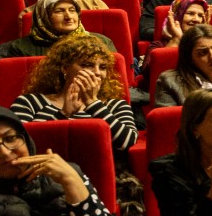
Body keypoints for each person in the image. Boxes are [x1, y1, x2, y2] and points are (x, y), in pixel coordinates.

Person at [8, 35, 138, 157]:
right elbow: (20, 145)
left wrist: (93, 103)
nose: (97, 73)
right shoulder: (29, 101)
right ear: (65, 68)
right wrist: (64, 113)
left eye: (103, 67)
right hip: (43, 173)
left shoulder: (115, 105)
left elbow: (127, 143)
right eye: (87, 65)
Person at [0, 0, 116, 59]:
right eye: (59, 11)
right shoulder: (20, 48)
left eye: (72, 10)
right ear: (43, 17)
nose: (68, 16)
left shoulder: (100, 41)